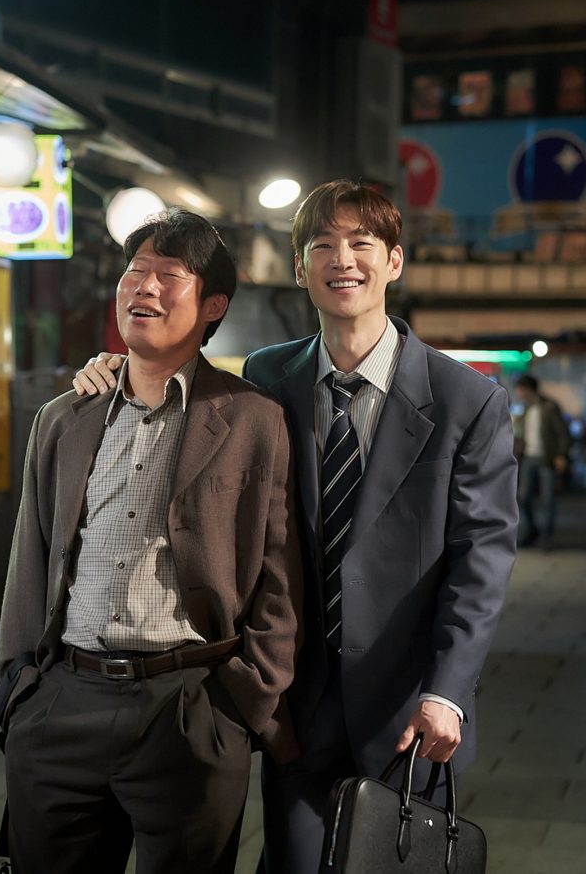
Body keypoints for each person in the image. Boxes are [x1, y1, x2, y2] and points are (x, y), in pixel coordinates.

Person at [74, 180, 519, 873]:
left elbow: (481, 560)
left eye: (362, 243)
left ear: (394, 261)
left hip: (407, 706)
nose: (343, 259)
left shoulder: (467, 400)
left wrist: (447, 691)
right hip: (293, 699)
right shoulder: (269, 374)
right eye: (322, 245)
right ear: (299, 268)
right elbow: (181, 395)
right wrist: (115, 368)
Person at [0, 208, 304, 874]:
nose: (146, 287)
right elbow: (30, 558)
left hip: (190, 706)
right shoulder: (65, 417)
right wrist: (18, 689)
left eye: (170, 275)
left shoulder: (253, 419)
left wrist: (242, 702)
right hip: (64, 700)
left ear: (213, 305)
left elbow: (280, 577)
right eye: (136, 271)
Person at [511, 373, 570, 549]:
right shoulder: (525, 409)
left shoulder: (549, 407)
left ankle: (547, 536)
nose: (519, 393)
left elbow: (562, 433)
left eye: (520, 389)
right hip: (528, 457)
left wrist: (562, 455)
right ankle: (531, 531)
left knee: (548, 499)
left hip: (547, 458)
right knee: (523, 497)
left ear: (529, 389)